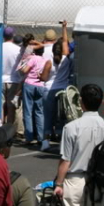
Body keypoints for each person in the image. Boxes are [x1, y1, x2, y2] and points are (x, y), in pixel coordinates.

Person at [42, 21, 73, 151]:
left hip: (49, 89)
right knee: (62, 117)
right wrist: (64, 28)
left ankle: (45, 141)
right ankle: (61, 142)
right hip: (63, 90)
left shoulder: (49, 63)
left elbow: (43, 78)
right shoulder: (66, 59)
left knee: (48, 116)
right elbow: (65, 42)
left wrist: (40, 75)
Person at [19, 38, 51, 146]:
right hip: (40, 86)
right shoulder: (45, 60)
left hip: (29, 84)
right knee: (39, 112)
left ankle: (29, 137)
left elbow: (24, 70)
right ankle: (40, 137)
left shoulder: (32, 58)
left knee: (28, 111)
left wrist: (23, 65)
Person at [2, 27, 23, 126]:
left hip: (0, 80)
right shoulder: (18, 50)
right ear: (13, 36)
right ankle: (10, 128)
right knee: (12, 106)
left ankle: (0, 126)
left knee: (0, 106)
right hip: (14, 79)